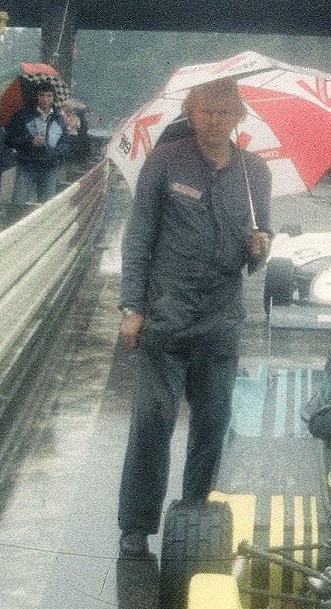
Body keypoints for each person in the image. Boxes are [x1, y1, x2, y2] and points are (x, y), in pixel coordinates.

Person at [116, 77, 273, 559]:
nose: (213, 121)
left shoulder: (254, 172)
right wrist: (132, 307)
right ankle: (136, 525)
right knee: (154, 422)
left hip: (221, 320)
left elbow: (258, 251)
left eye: (224, 113)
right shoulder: (165, 162)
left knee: (213, 421)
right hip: (166, 315)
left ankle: (195, 518)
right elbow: (138, 236)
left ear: (238, 117)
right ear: (191, 112)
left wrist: (261, 248)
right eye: (205, 111)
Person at [5, 83, 70, 212]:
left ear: (54, 98)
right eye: (42, 95)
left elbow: (65, 142)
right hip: (27, 165)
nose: (45, 99)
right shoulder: (23, 116)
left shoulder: (59, 118)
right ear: (36, 96)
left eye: (49, 96)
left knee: (47, 206)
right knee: (18, 204)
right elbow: (10, 139)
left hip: (49, 166)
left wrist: (55, 153)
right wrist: (30, 142)